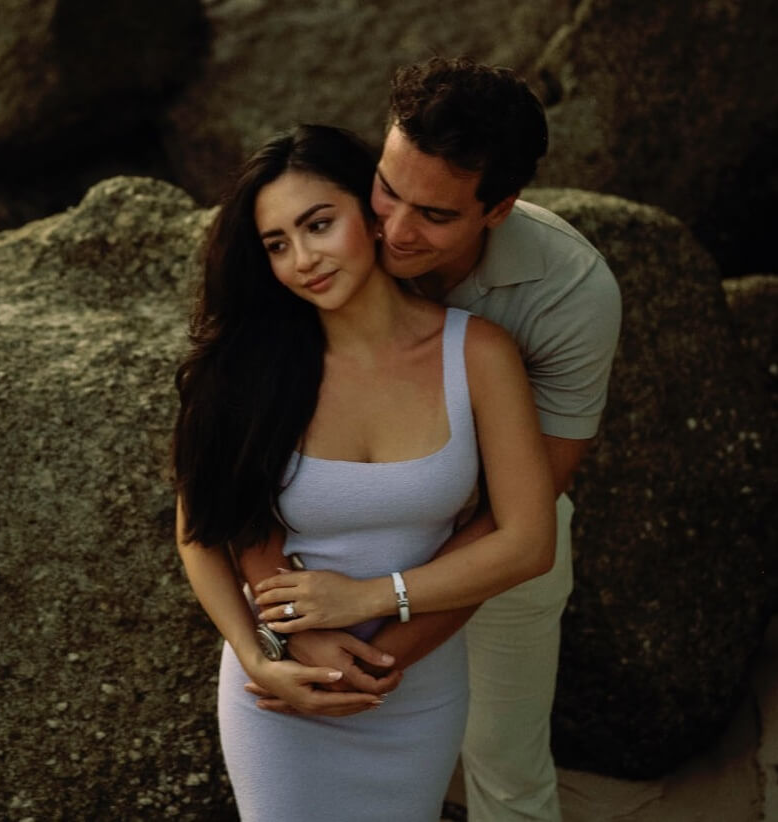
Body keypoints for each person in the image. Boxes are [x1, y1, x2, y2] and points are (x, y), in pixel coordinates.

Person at [249, 58, 622, 821]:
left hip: (497, 550)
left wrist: (374, 652)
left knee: (506, 768)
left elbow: (521, 519)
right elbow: (233, 467)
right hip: (337, 542)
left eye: (436, 216)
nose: (391, 229)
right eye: (388, 189)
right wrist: (295, 636)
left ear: (499, 209)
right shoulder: (322, 229)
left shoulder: (572, 294)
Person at [173, 123, 557, 821]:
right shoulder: (246, 368)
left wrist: (370, 597)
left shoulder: (477, 354)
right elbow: (201, 535)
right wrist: (256, 655)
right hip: (280, 693)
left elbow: (528, 541)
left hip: (418, 690)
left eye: (319, 224)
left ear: (371, 213)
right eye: (277, 244)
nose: (304, 260)